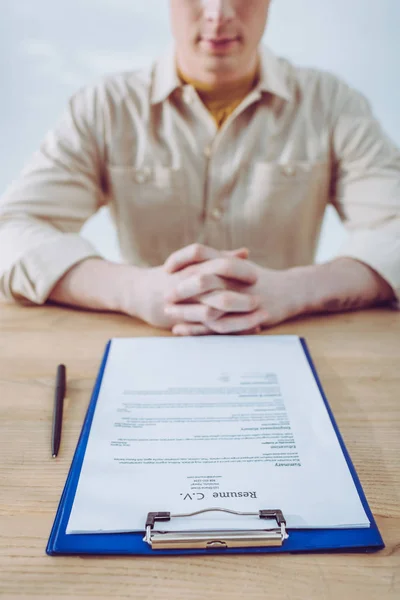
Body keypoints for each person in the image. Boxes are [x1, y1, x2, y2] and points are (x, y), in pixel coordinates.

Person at [0, 0, 399, 336]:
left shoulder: (331, 103)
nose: (218, 13)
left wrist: (295, 290)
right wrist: (135, 290)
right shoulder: (105, 106)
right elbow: (11, 230)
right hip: (148, 344)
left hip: (292, 342)